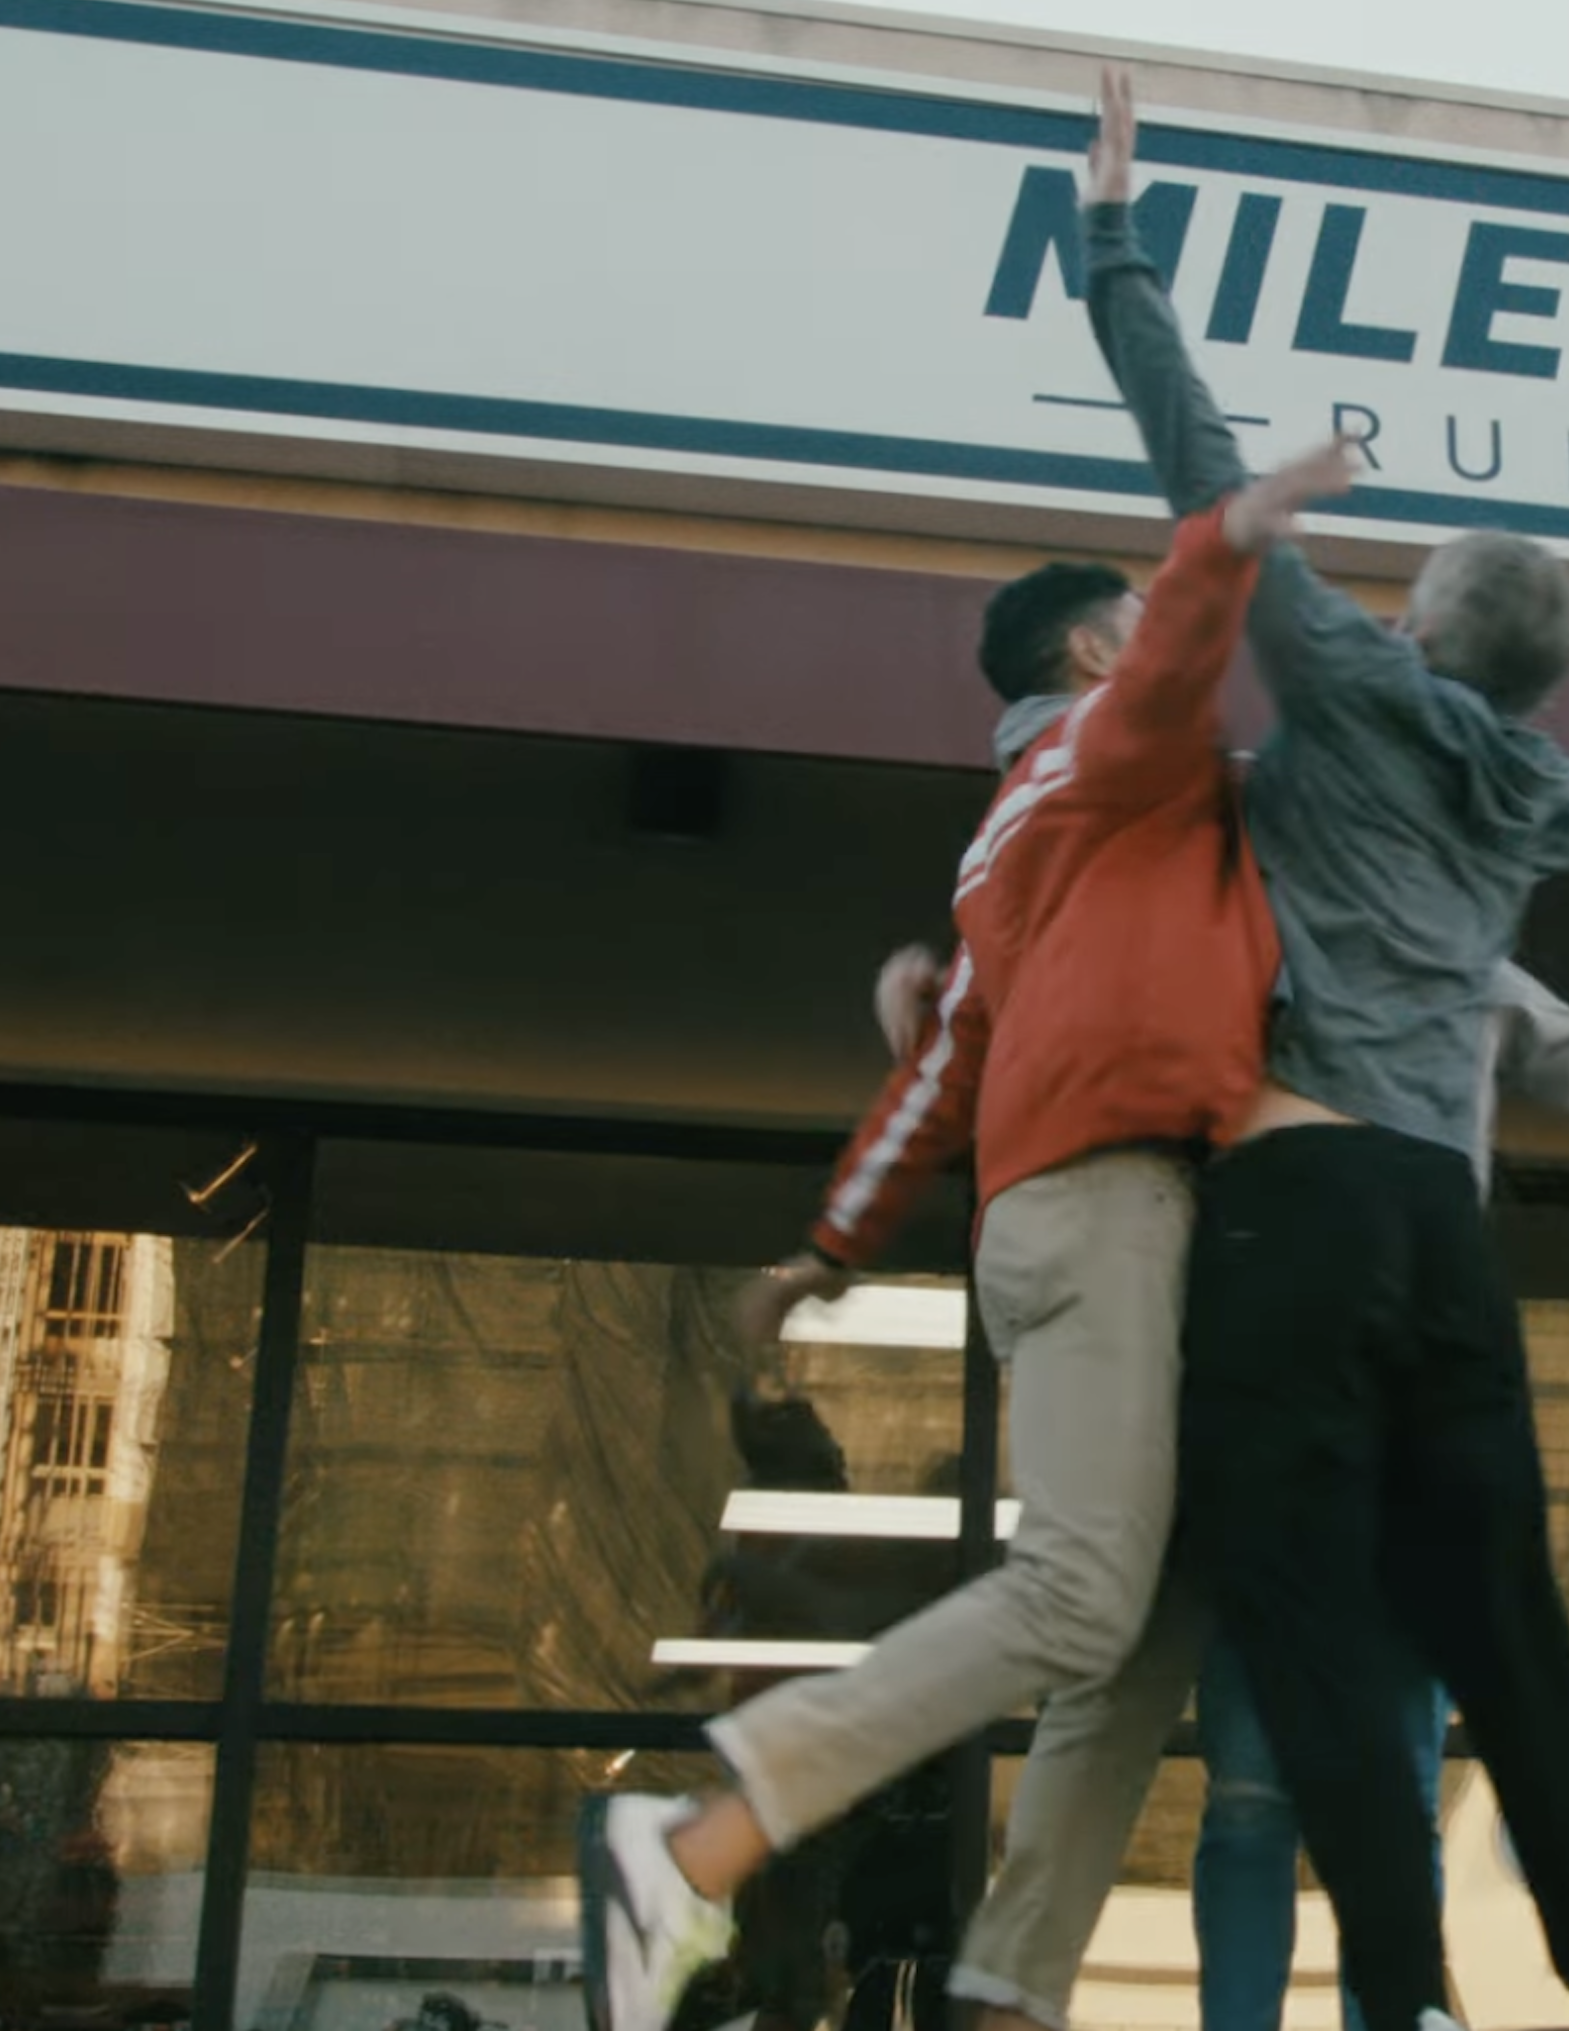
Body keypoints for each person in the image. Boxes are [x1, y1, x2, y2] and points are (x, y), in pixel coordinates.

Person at [1082, 67, 1569, 2031]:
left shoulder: (1355, 673)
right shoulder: (1541, 788)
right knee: (1516, 1638)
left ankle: (1395, 1993)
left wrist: (1115, 226)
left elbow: (1192, 451)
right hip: (1450, 1239)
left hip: (1298, 1198)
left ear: (1420, 612)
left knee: (1300, 1615)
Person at [575, 442, 1361, 2031]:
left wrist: (835, 1238)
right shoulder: (1109, 747)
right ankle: (706, 1824)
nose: (1160, 646)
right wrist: (1233, 530)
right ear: (1091, 654)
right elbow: (1168, 681)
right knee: (1080, 1597)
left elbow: (950, 1059)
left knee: (1137, 1635)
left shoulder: (1022, 825)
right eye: (1135, 621)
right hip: (1112, 1198)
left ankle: (1007, 1982)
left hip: (1100, 1209)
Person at [871, 952, 1569, 2031]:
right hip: (1264, 1388)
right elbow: (1090, 1025)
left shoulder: (1468, 972)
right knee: (1249, 1792)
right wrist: (946, 1024)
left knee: (1400, 1784)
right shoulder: (1257, 949)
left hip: (1415, 1403)